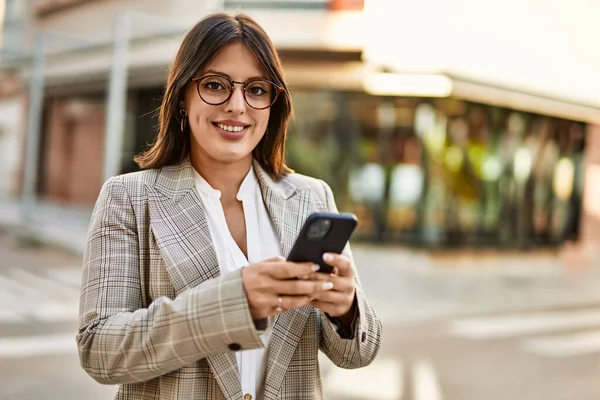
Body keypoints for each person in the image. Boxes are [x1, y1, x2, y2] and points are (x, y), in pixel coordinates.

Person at [77, 12, 381, 400]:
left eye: (256, 89)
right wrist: (233, 303)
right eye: (216, 85)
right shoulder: (129, 199)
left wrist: (346, 309)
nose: (237, 105)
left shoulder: (311, 197)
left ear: (273, 105)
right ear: (184, 97)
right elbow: (99, 351)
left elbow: (359, 353)